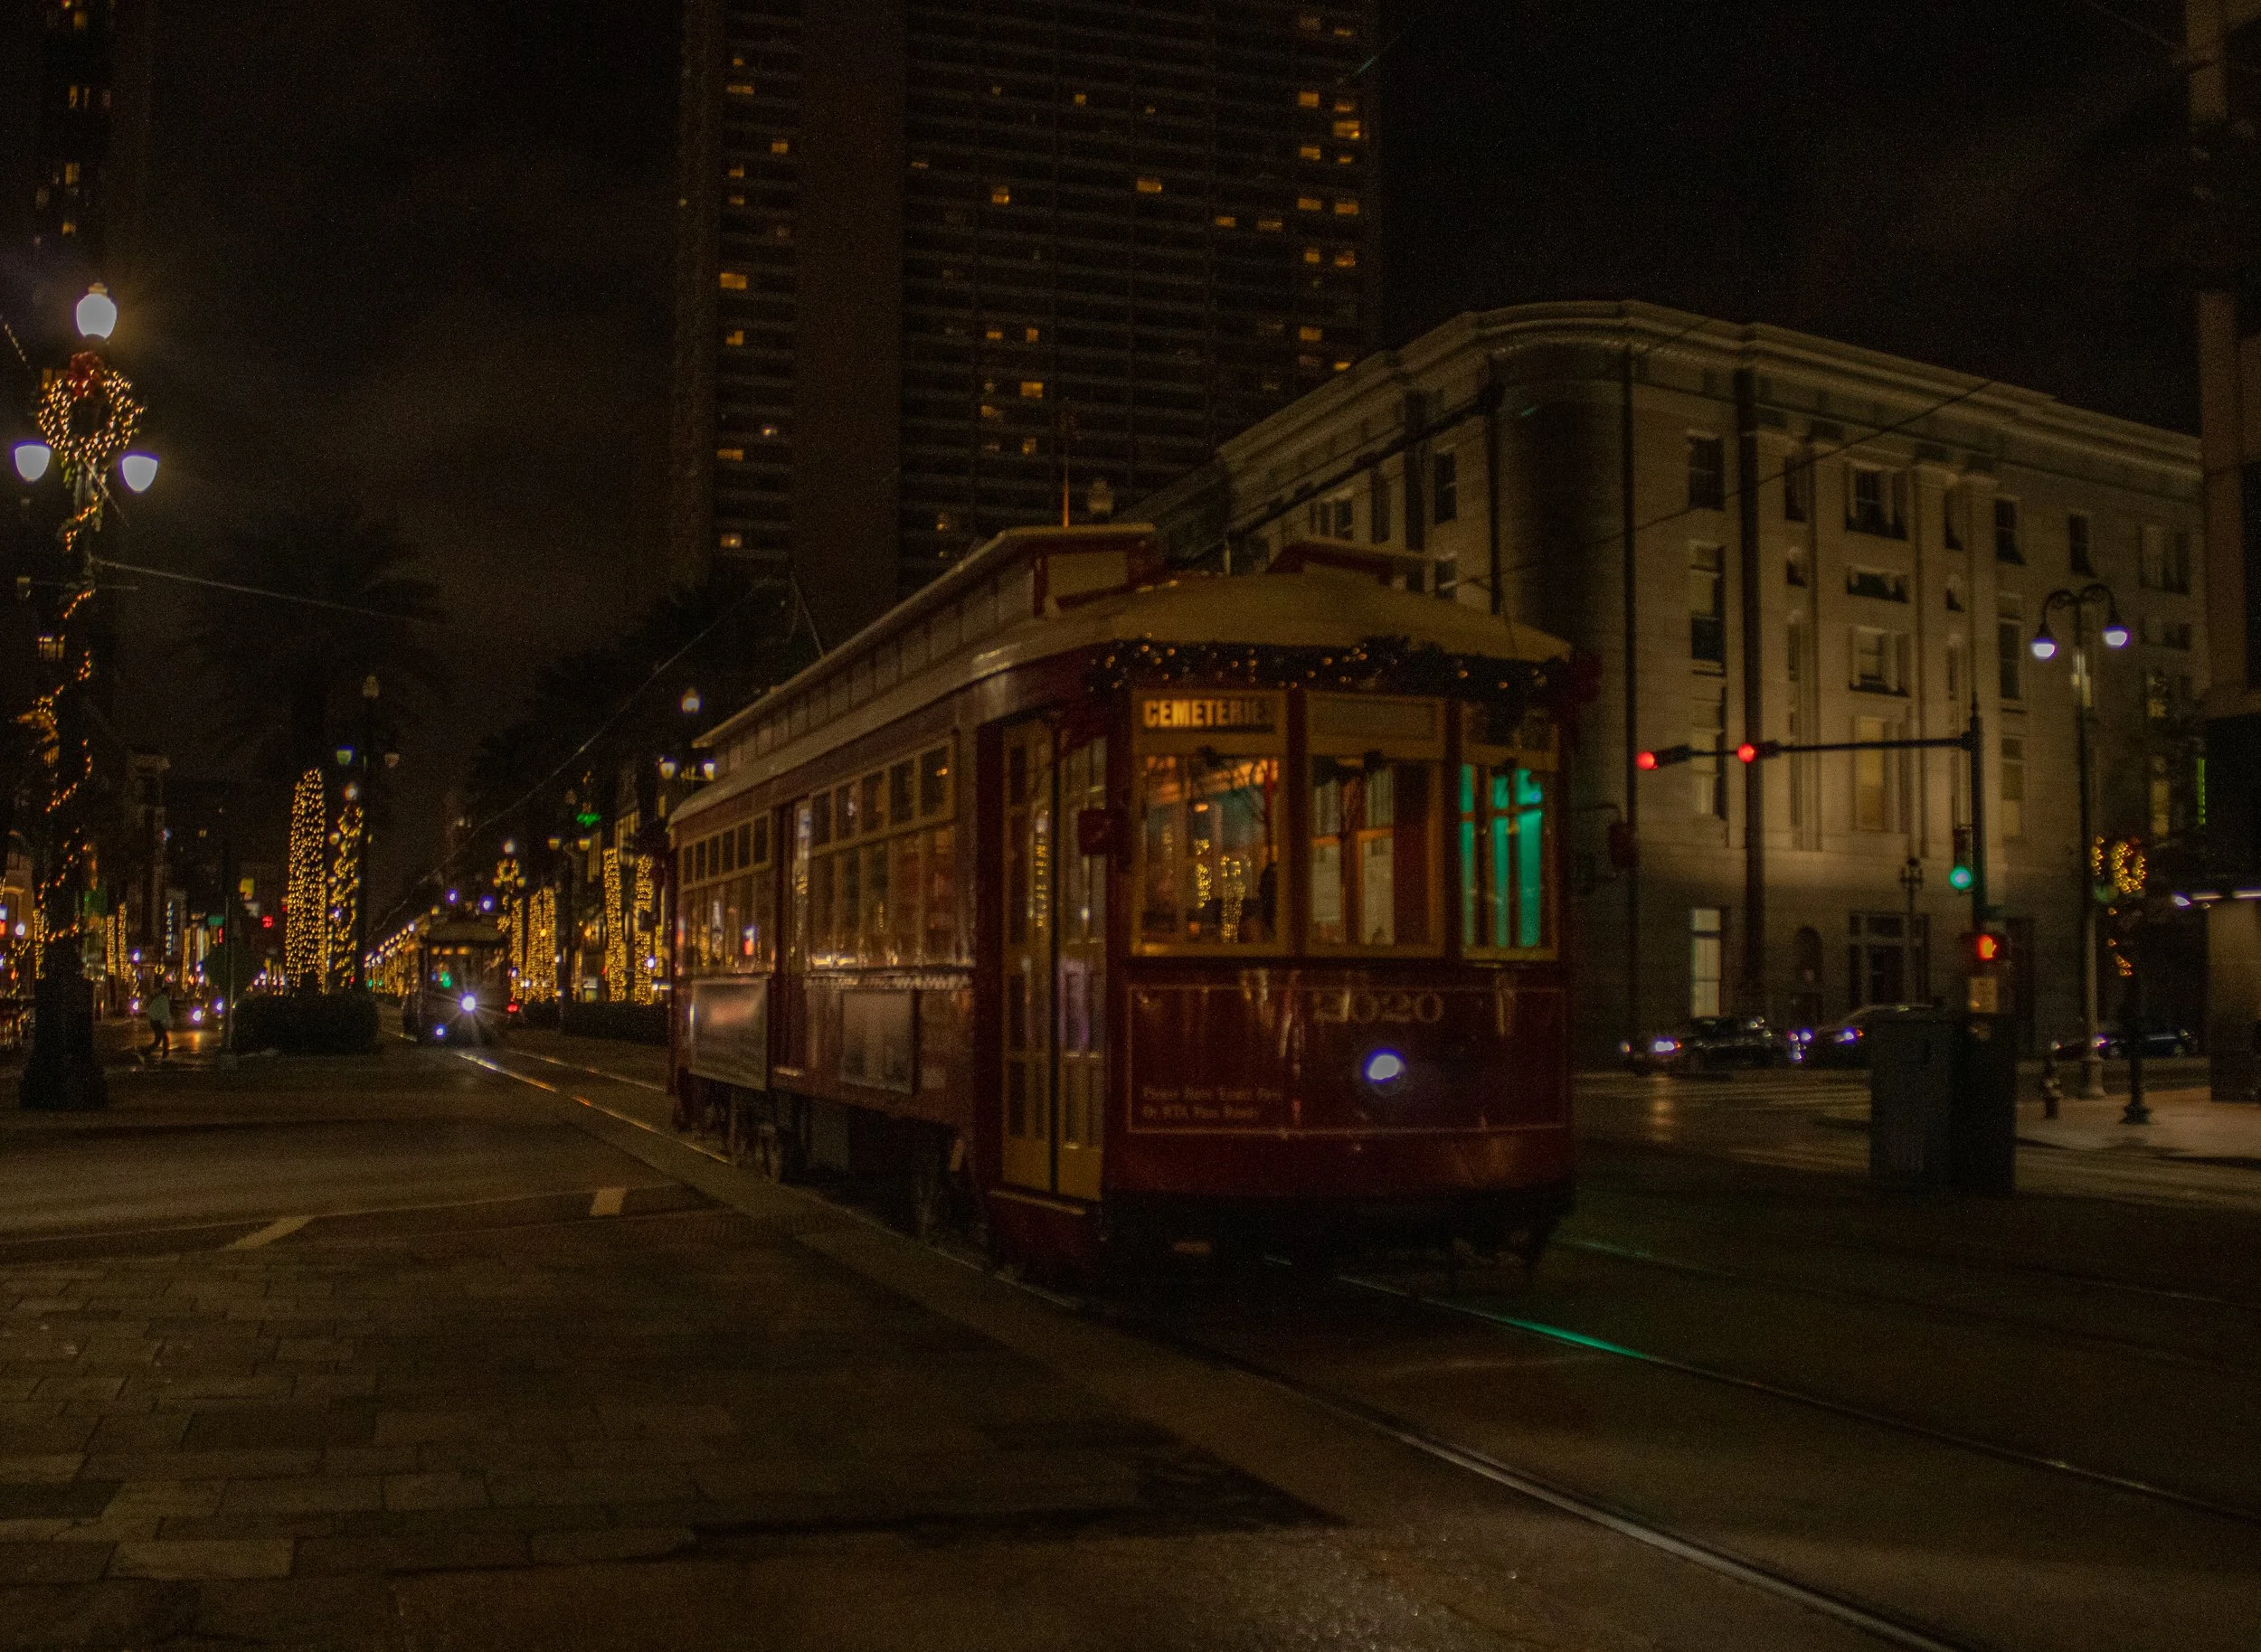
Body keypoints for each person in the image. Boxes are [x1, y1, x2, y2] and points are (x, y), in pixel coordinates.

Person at [146, 982, 173, 1061]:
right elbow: (165, 1012)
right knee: (159, 1040)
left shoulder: (158, 999)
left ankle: (164, 1053)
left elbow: (152, 1010)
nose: (170, 994)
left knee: (162, 1038)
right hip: (158, 1022)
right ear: (166, 992)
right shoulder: (163, 1000)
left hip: (154, 1021)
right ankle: (145, 1052)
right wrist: (166, 1022)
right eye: (169, 992)